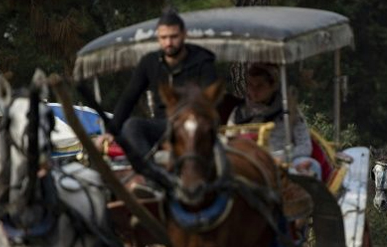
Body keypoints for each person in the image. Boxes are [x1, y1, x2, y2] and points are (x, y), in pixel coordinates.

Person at [106, 7, 217, 189]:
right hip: (162, 126)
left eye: (173, 37)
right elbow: (129, 97)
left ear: (184, 35)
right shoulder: (149, 62)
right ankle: (153, 179)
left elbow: (209, 98)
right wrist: (110, 131)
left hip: (191, 125)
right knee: (132, 125)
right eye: (163, 38)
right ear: (158, 38)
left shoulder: (202, 60)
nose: (169, 42)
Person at [226, 63, 321, 179]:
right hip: (250, 164)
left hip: (285, 162)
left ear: (273, 86)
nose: (254, 90)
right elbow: (228, 143)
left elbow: (305, 146)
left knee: (312, 167)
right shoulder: (238, 113)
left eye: (260, 85)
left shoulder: (289, 110)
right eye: (250, 85)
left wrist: (280, 158)